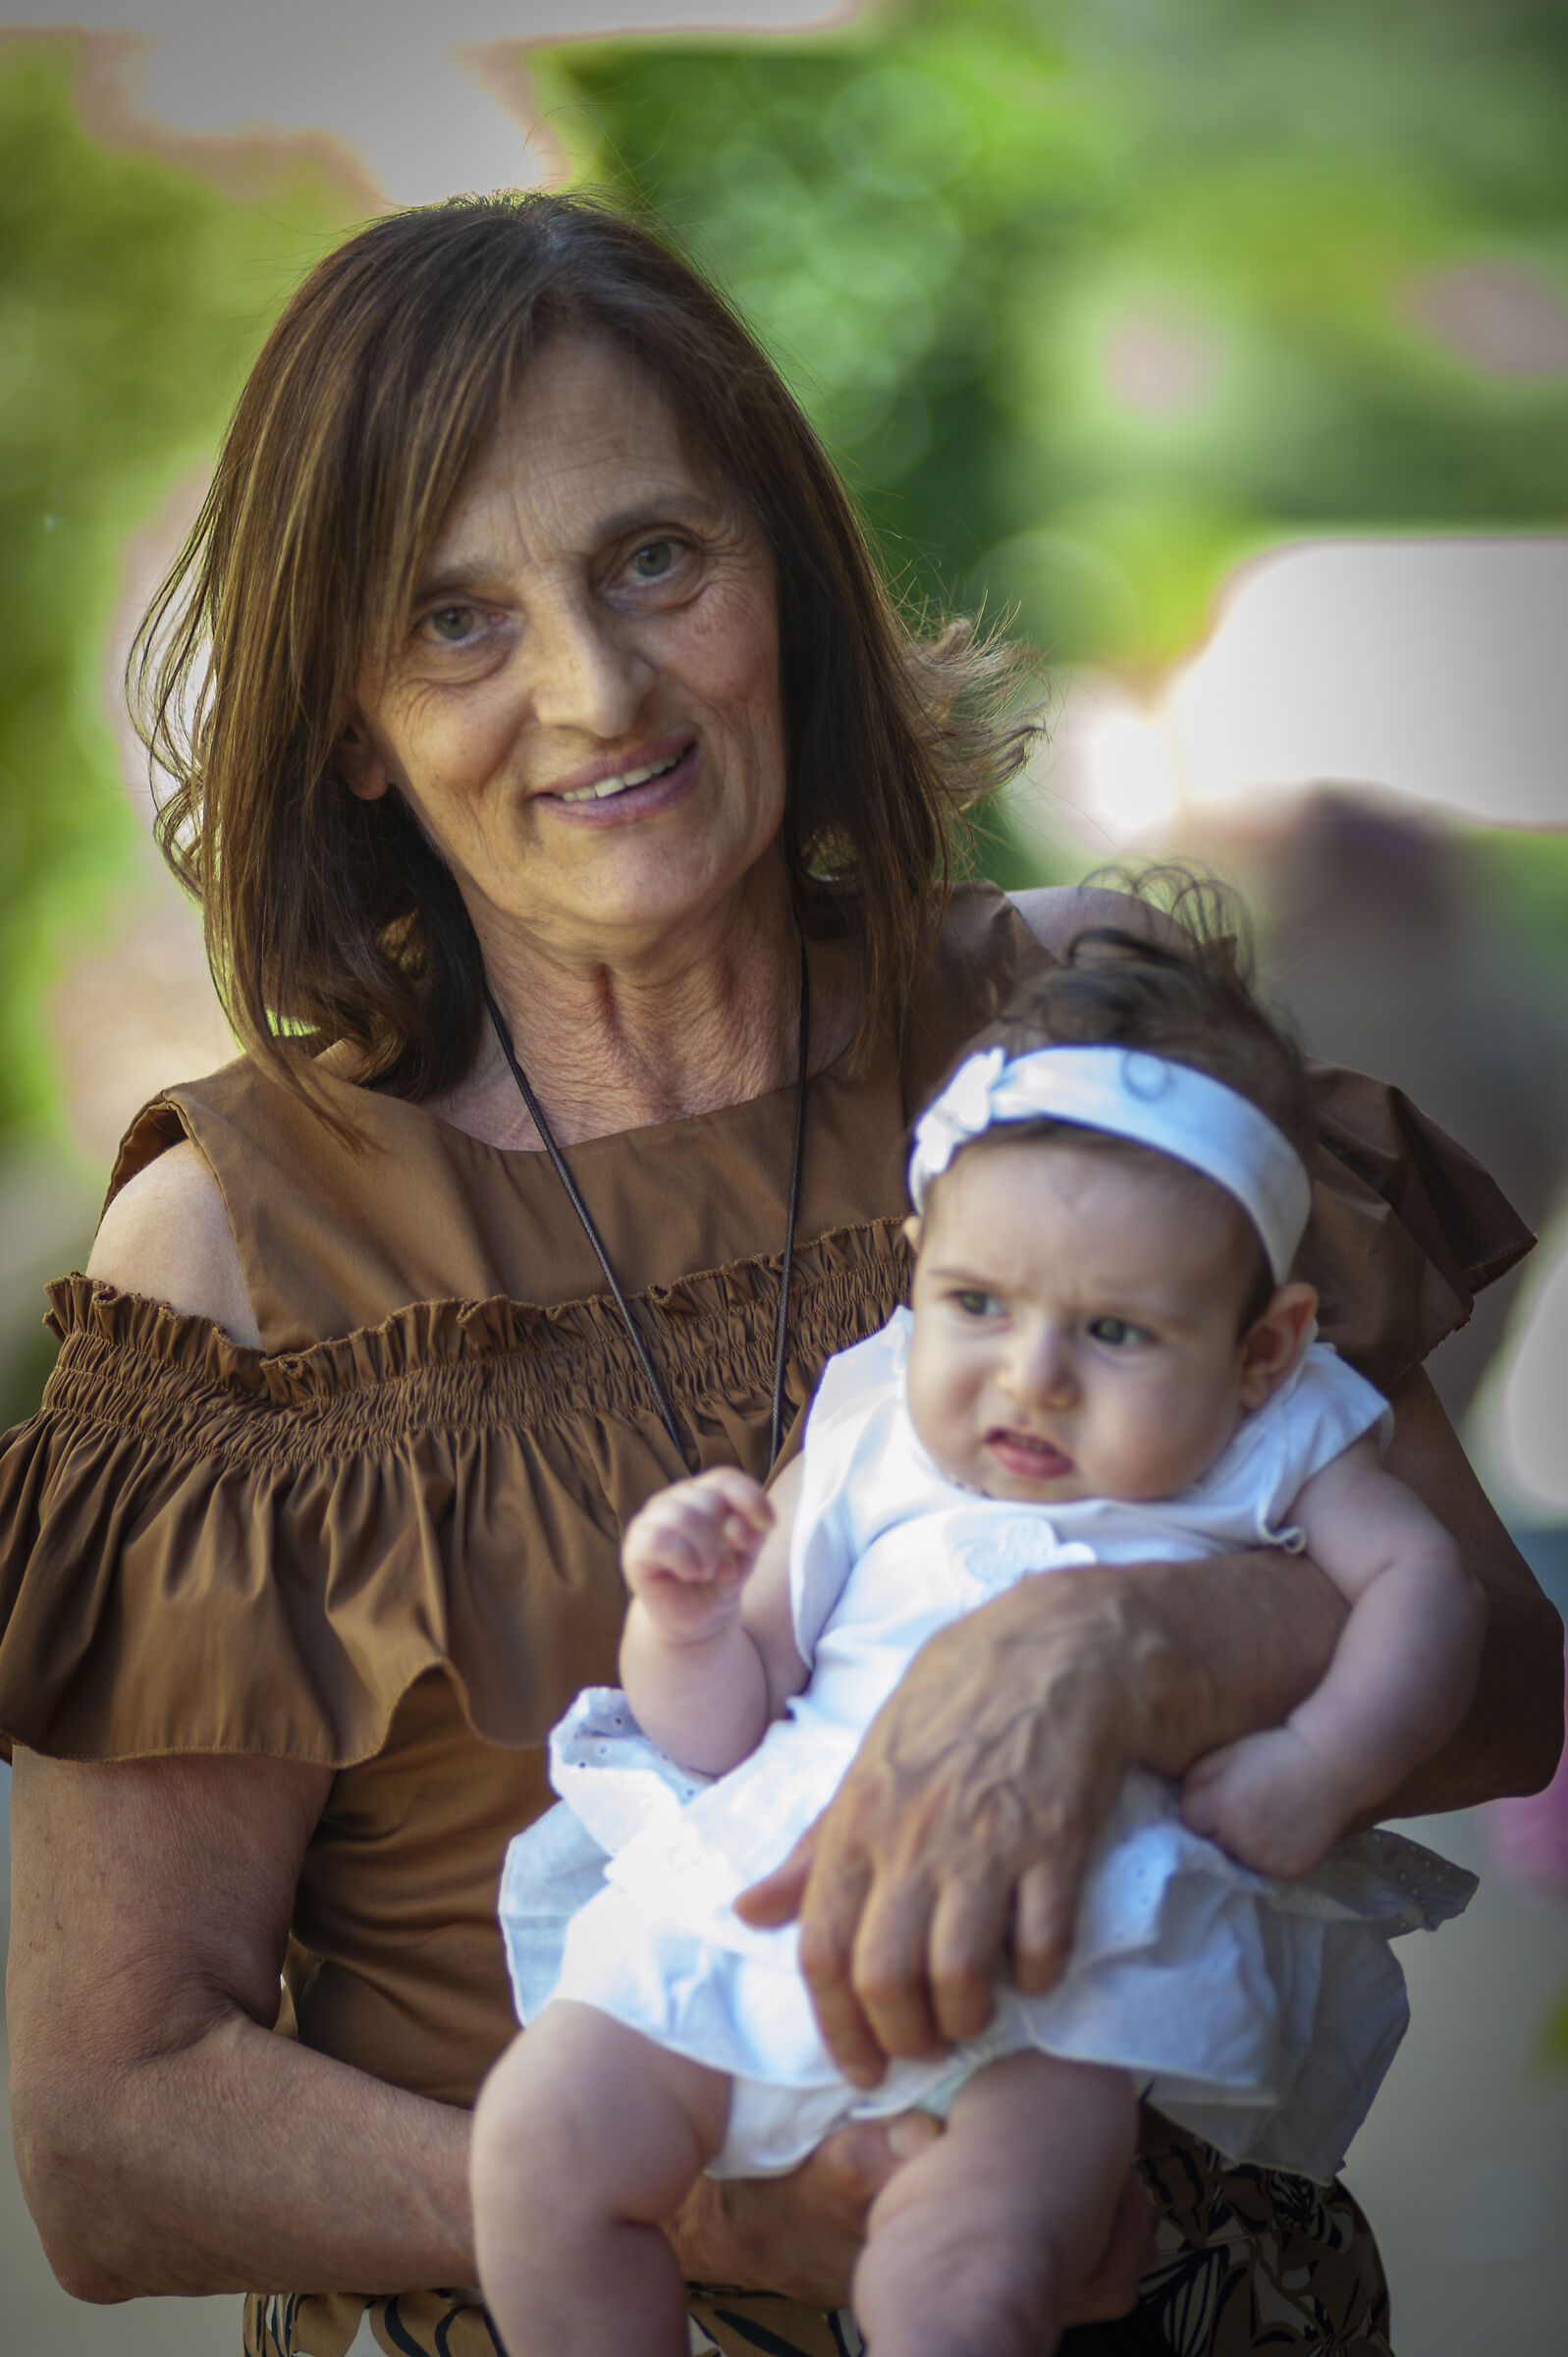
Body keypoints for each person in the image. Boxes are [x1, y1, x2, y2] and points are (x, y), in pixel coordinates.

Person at [0, 192, 1558, 2357]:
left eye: (655, 558)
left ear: (790, 581)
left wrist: (1126, 1644)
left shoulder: (1076, 1051)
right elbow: (103, 2137)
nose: (595, 689)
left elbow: (1492, 1688)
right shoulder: (246, 1255)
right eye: (455, 622)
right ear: (350, 721)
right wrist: (721, 2216)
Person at [471, 927, 1482, 2357]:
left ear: (1260, 1347)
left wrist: (1321, 1762)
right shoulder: (874, 1415)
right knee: (535, 2146)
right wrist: (684, 1619)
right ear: (918, 1271)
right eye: (977, 1304)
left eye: (1117, 1332)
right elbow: (718, 1722)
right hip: (764, 1899)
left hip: (1059, 1976)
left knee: (964, 2288)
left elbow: (1427, 1590)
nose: (1031, 1377)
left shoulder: (1277, 1434)